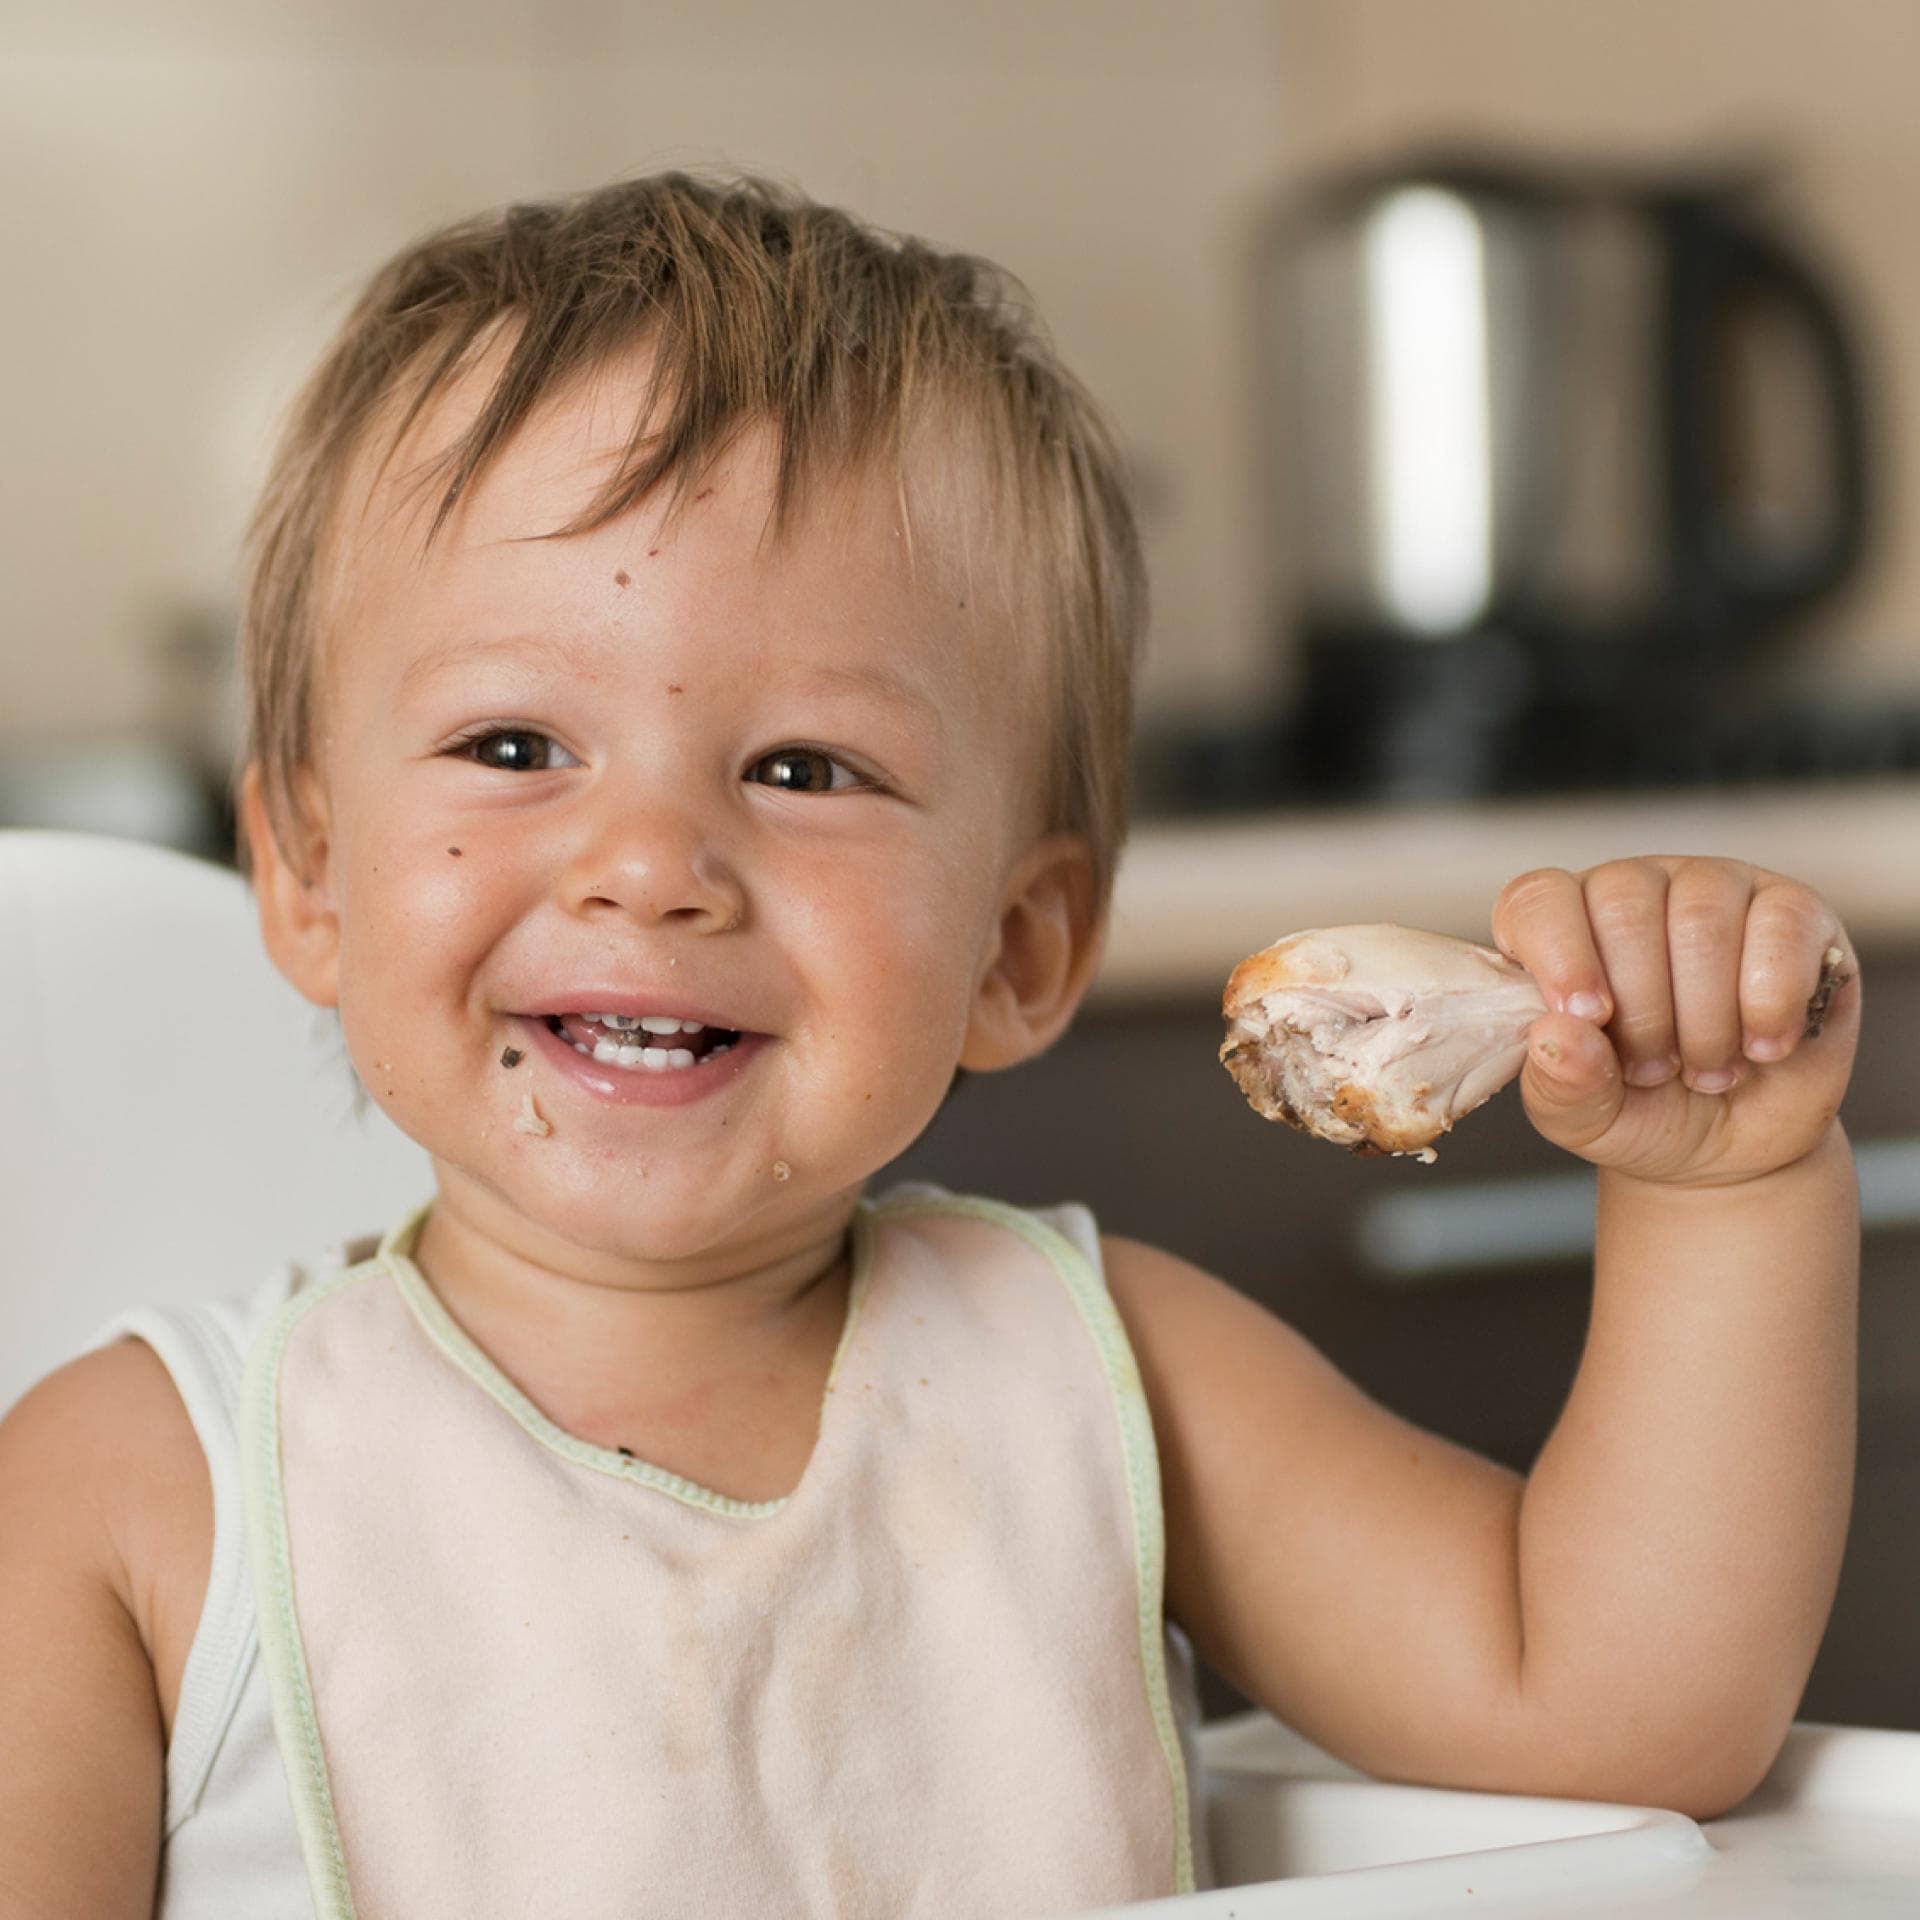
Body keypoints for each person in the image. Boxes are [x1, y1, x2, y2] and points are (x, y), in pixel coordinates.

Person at [0, 173, 1860, 1919]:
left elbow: (1624, 1717)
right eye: (514, 746)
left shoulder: (1109, 1374)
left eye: (806, 769)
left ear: (1019, 947)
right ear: (310, 872)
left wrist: (1727, 1185)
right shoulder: (134, 1501)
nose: (651, 866)